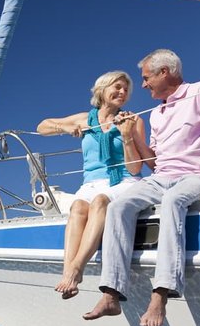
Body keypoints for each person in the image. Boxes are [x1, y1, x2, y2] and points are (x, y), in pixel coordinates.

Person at [86, 49, 200, 326]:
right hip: (162, 176)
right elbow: (154, 162)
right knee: (118, 206)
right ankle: (111, 294)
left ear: (164, 72)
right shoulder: (156, 114)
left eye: (146, 78)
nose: (142, 85)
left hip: (198, 175)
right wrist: (130, 135)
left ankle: (160, 294)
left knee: (172, 201)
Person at [37, 71, 150, 299]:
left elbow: (137, 168)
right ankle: (68, 271)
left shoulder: (133, 120)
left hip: (123, 180)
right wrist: (65, 128)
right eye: (117, 87)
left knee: (100, 202)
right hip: (91, 182)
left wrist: (127, 136)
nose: (122, 92)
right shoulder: (83, 119)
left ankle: (76, 269)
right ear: (102, 90)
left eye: (126, 89)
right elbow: (42, 126)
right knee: (78, 207)